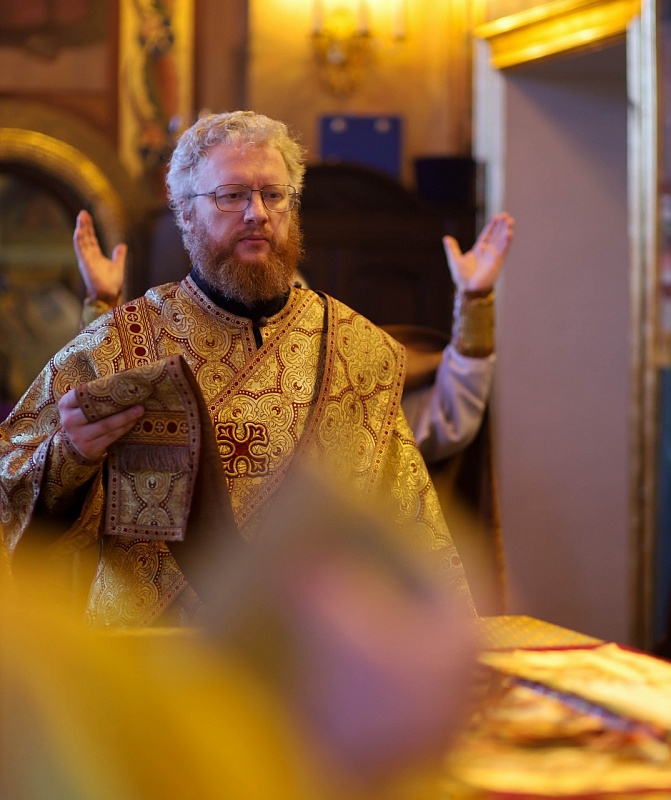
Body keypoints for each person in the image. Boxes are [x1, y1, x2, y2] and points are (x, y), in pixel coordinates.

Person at [0, 110, 472, 626]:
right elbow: (9, 488)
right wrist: (68, 455)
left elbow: (410, 518)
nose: (257, 214)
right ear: (186, 213)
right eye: (231, 195)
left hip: (302, 651)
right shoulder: (118, 343)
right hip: (150, 651)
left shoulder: (357, 349)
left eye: (274, 195)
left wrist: (456, 636)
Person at [76, 196, 514, 466]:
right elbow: (106, 420)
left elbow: (444, 424)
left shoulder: (342, 357)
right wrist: (102, 305)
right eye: (233, 195)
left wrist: (474, 300)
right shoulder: (173, 346)